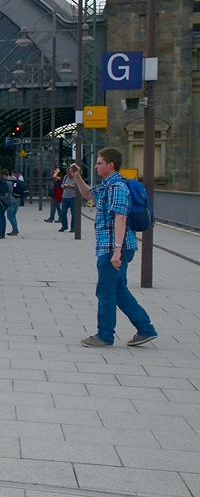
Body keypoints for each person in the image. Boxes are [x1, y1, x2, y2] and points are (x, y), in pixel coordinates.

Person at [71, 148, 157, 348]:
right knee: (118, 289)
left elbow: (121, 218)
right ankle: (145, 329)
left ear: (110, 165)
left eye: (99, 162)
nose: (96, 165)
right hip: (112, 246)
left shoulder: (117, 187)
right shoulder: (107, 185)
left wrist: (117, 251)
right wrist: (77, 176)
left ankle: (105, 335)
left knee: (105, 290)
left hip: (114, 247)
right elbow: (88, 194)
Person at [59, 164, 79, 232]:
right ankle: (64, 226)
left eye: (70, 173)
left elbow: (80, 187)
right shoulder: (65, 177)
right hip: (65, 197)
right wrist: (63, 186)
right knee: (63, 212)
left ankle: (73, 227)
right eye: (68, 173)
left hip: (73, 197)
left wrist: (73, 186)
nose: (69, 175)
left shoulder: (76, 178)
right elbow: (62, 185)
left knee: (73, 213)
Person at [6, 169, 24, 236]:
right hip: (17, 200)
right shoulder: (18, 181)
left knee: (10, 216)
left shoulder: (9, 181)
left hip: (11, 200)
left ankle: (15, 230)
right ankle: (15, 229)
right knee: (13, 215)